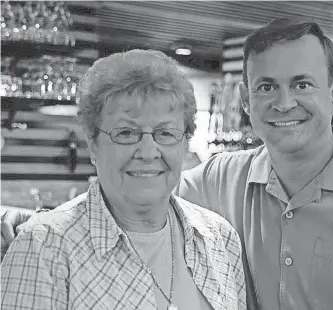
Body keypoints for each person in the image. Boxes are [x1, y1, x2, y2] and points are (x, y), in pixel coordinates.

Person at [2, 19, 333, 310]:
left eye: (301, 84)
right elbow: (133, 195)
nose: (284, 102)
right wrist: (28, 221)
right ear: (247, 103)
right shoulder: (219, 181)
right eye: (266, 87)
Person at [1, 49, 246, 310]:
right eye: (126, 133)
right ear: (93, 143)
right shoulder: (44, 246)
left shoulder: (219, 238)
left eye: (165, 133)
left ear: (185, 142)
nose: (148, 152)